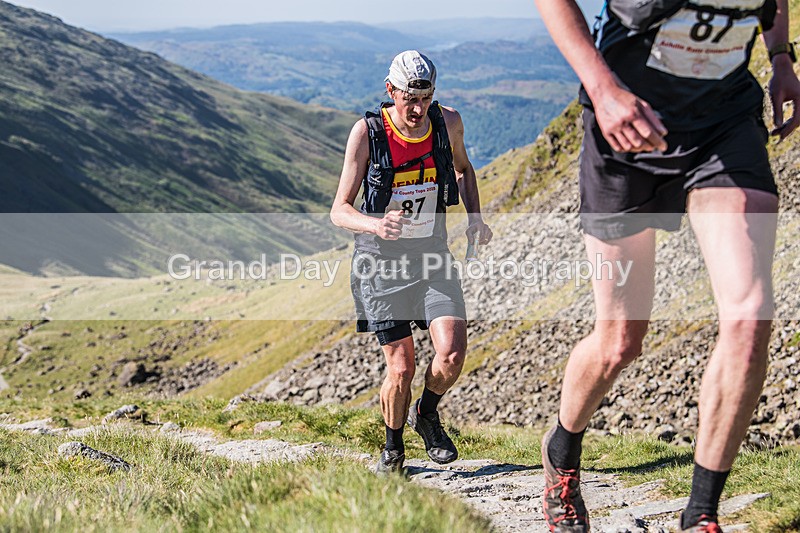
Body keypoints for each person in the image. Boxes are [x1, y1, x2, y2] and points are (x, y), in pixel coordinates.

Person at [533, 0, 800, 530]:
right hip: (624, 130)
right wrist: (602, 90)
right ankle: (562, 450)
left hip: (723, 128)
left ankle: (700, 514)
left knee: (749, 317)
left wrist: (782, 60)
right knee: (618, 343)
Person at [330, 50, 493, 474]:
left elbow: (463, 169)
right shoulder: (367, 134)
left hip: (432, 256)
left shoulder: (448, 122)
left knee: (452, 354)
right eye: (409, 99)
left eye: (426, 97)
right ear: (390, 91)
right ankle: (393, 448)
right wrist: (374, 224)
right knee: (401, 367)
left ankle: (426, 413)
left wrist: (475, 217)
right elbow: (339, 210)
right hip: (380, 264)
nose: (418, 109)